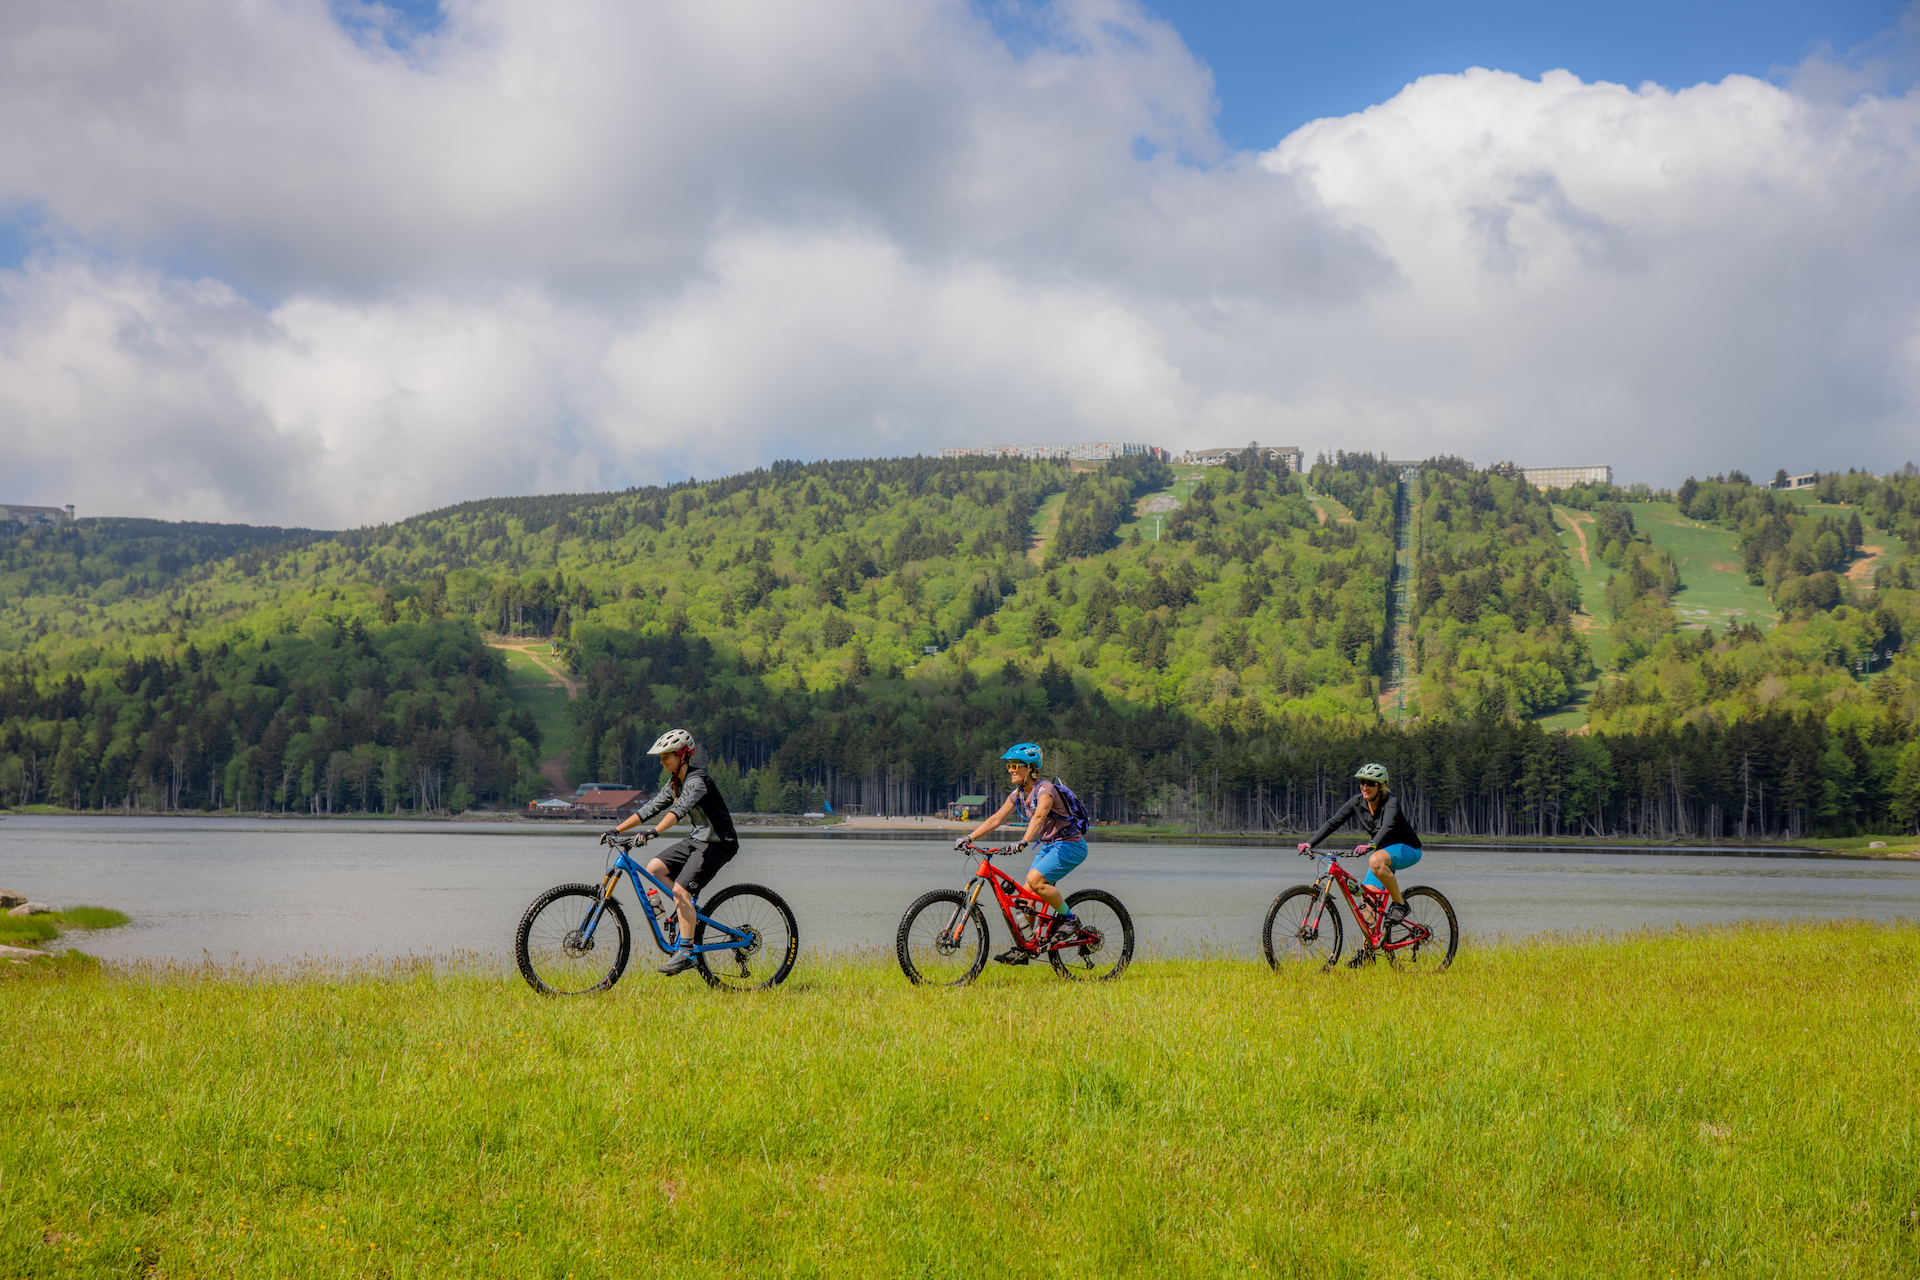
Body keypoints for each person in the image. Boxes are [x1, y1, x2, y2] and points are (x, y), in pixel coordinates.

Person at [604, 729, 741, 976]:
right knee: (655, 868)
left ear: (682, 756)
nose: (662, 761)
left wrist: (653, 832)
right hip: (699, 840)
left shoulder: (698, 781)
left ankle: (687, 953)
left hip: (719, 843)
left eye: (666, 756)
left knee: (680, 890)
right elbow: (650, 808)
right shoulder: (675, 782)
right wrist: (616, 828)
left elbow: (678, 811)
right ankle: (686, 912)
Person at [958, 742, 1089, 965]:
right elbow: (996, 819)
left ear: (1029, 768)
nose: (1010, 769)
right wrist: (969, 838)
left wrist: (1024, 841)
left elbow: (1039, 817)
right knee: (1024, 899)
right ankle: (1026, 947)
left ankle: (1070, 920)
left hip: (1070, 844)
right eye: (1009, 765)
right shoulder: (1018, 793)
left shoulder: (1045, 789)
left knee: (1034, 880)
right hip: (1049, 846)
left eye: (1015, 766)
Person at [1298, 763, 1422, 949]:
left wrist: (1371, 845)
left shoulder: (1391, 801)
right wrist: (1310, 843)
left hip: (1407, 849)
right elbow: (1334, 822)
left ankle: (1400, 904)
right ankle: (1367, 954)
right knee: (1367, 904)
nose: (1365, 787)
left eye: (1371, 783)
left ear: (1381, 786)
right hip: (1382, 855)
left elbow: (1388, 826)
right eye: (1363, 782)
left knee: (1375, 859)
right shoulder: (1357, 802)